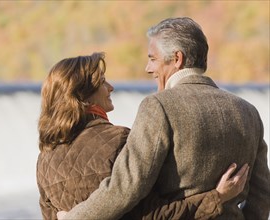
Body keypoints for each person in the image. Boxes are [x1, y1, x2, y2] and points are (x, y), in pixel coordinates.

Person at [59, 18, 270, 220]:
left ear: (177, 59)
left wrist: (75, 217)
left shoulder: (159, 106)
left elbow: (126, 187)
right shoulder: (248, 111)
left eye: (152, 59)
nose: (147, 68)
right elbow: (262, 194)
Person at [37, 52, 249, 220]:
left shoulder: (44, 159)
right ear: (83, 95)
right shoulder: (119, 140)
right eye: (102, 82)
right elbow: (155, 215)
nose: (110, 87)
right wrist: (217, 198)